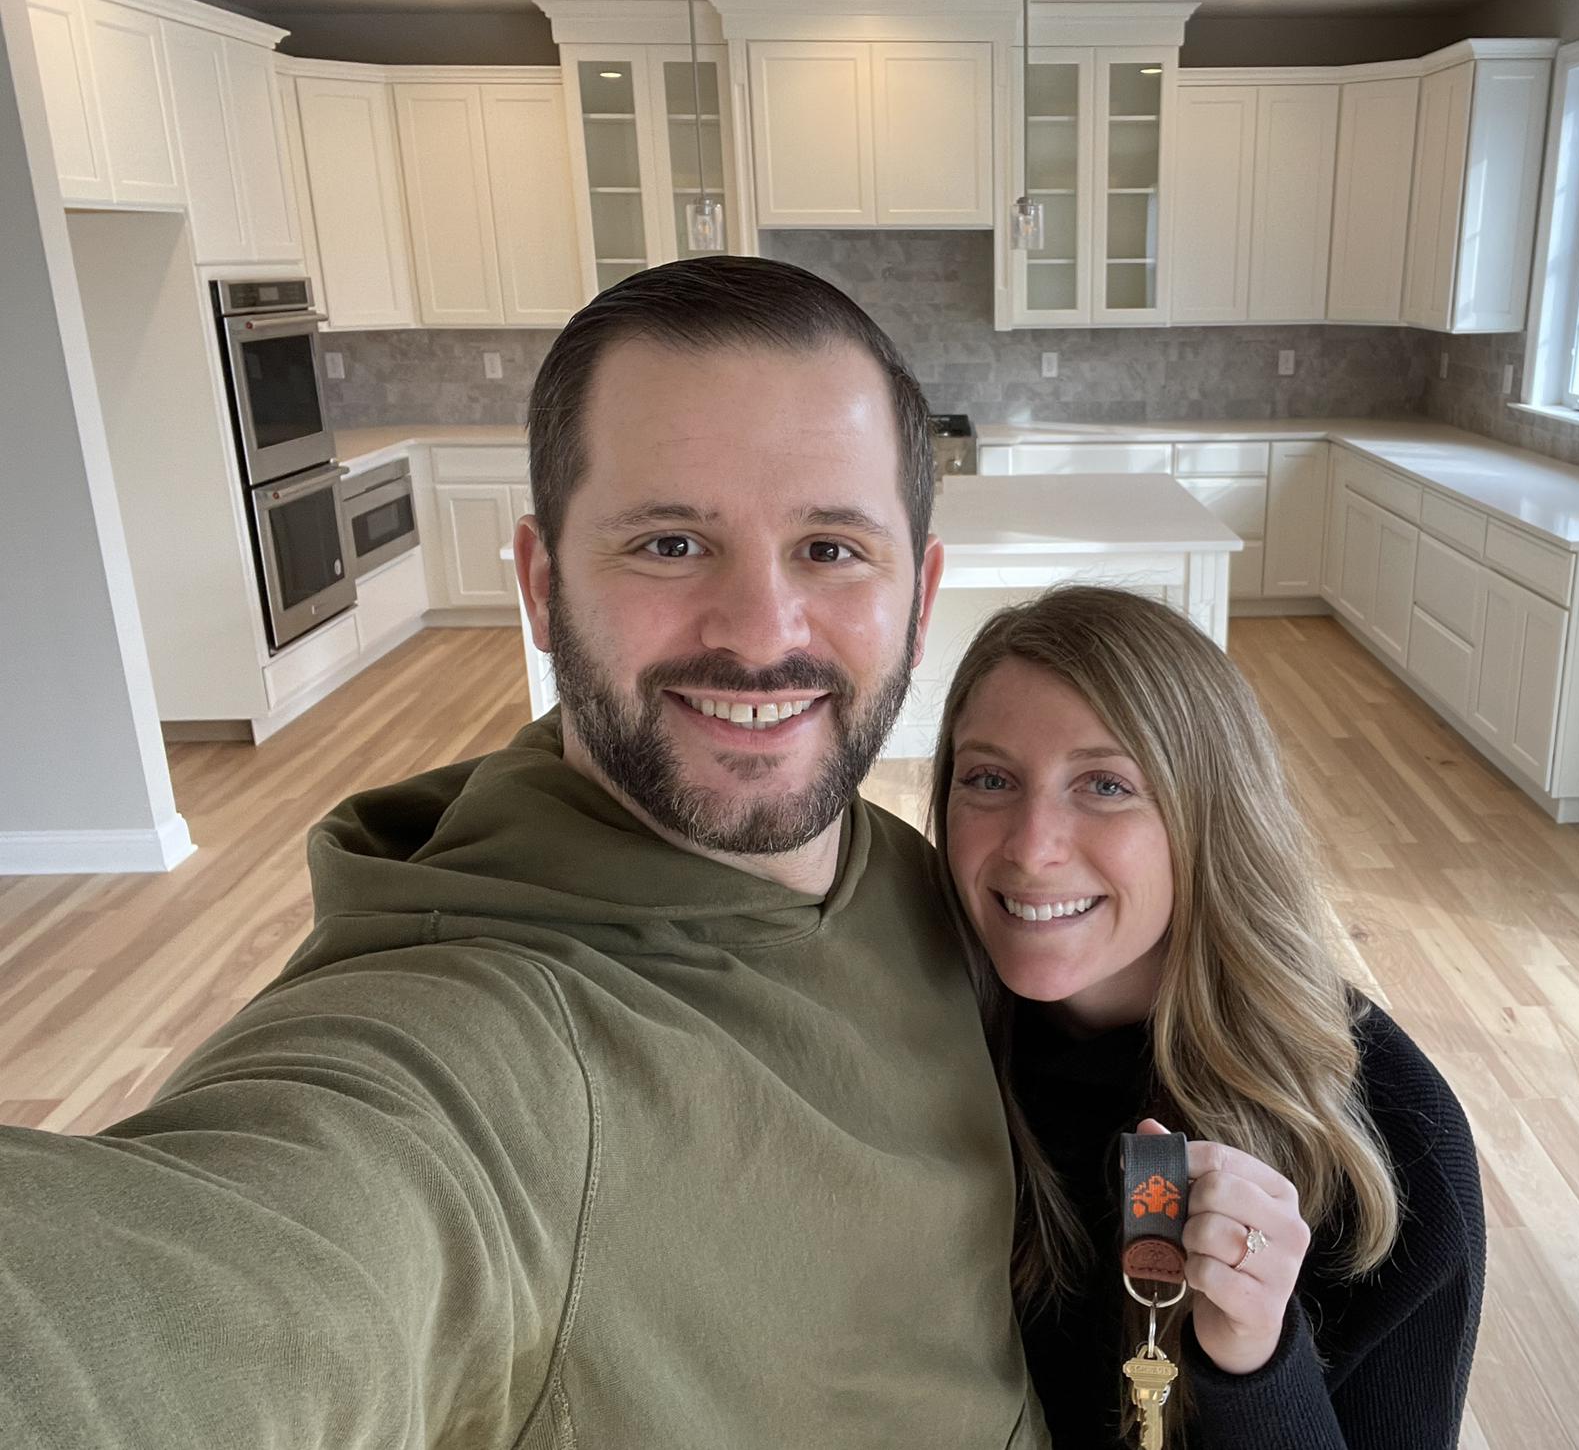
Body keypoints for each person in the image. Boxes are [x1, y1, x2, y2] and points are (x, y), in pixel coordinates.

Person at [0, 257, 1049, 1449]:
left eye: (829, 549)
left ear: (917, 598)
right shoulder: (484, 1047)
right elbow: (205, 1291)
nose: (761, 634)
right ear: (543, 589)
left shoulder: (898, 870)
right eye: (667, 544)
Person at [929, 585, 1485, 1448]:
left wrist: (1256, 1363)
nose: (1031, 846)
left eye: (1105, 785)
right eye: (990, 779)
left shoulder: (1386, 1138)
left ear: (1209, 815)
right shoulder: (905, 1023)